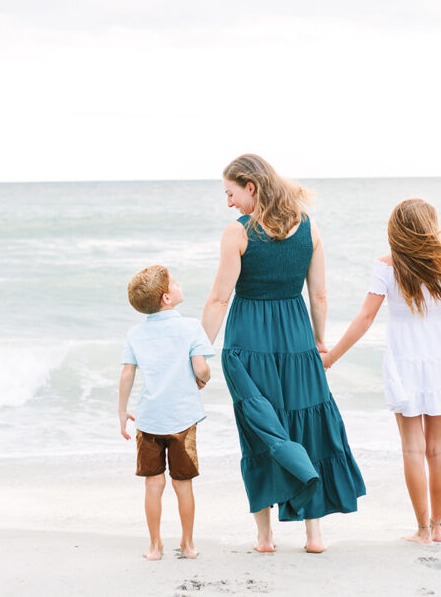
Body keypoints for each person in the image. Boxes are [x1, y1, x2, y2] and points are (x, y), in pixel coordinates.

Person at [201, 153, 365, 554]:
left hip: (248, 343)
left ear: (251, 187)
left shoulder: (236, 234)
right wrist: (320, 339)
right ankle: (314, 536)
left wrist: (199, 352)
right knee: (307, 427)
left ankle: (265, 537)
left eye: (231, 193)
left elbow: (220, 299)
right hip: (297, 340)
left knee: (260, 430)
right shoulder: (309, 228)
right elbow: (320, 294)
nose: (229, 203)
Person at [320, 198, 441, 544]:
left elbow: (364, 320)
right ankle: (438, 528)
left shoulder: (386, 266)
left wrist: (331, 357)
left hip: (406, 360)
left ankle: (422, 529)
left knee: (412, 448)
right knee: (437, 447)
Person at [118, 265, 214, 560]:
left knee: (153, 483)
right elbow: (201, 368)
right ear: (166, 298)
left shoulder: (136, 333)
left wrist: (122, 412)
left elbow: (127, 374)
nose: (179, 283)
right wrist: (204, 379)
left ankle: (155, 545)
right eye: (174, 282)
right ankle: (187, 544)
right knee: (182, 484)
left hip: (148, 421)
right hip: (182, 420)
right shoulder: (190, 327)